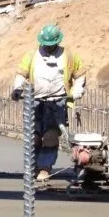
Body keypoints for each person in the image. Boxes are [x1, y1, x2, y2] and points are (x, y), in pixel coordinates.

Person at [11, 23, 86, 182]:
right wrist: (17, 89)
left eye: (51, 45)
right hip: (35, 102)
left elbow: (80, 75)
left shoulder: (69, 56)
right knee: (34, 136)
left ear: (57, 42)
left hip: (57, 101)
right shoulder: (31, 55)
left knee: (51, 136)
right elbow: (21, 74)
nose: (48, 47)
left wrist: (76, 91)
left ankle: (45, 168)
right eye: (46, 45)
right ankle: (33, 166)